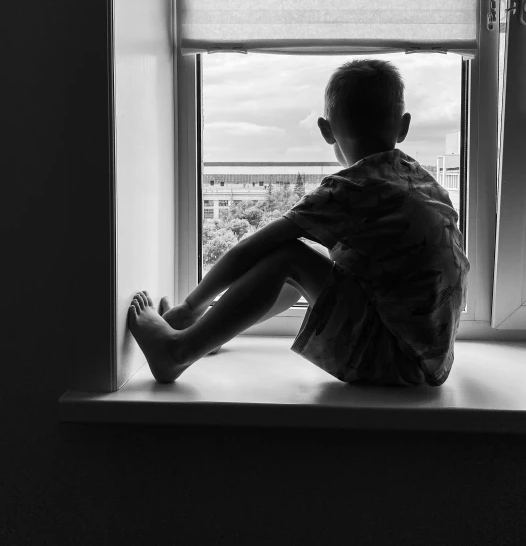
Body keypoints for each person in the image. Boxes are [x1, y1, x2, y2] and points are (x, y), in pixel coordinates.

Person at [128, 59, 470, 386]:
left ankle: (178, 351)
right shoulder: (419, 179)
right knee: (308, 264)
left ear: (325, 130)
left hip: (395, 360)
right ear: (404, 125)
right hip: (429, 358)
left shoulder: (354, 187)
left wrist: (191, 306)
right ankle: (210, 334)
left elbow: (251, 250)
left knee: (287, 257)